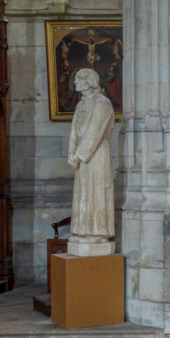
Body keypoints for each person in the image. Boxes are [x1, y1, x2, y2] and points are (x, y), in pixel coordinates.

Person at [66, 68, 117, 256]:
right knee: (83, 193)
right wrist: (71, 152)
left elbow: (94, 132)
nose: (75, 82)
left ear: (89, 81)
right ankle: (83, 231)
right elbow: (74, 131)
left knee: (96, 192)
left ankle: (98, 232)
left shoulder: (102, 103)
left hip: (96, 154)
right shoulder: (81, 105)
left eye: (79, 79)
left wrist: (79, 155)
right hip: (83, 156)